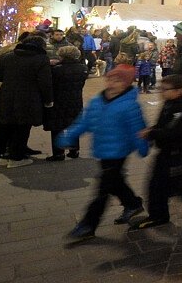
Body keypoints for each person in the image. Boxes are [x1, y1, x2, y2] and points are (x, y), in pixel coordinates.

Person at [58, 65, 149, 242]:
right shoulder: (97, 101)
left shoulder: (130, 105)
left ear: (127, 83)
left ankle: (88, 224)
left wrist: (142, 146)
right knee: (115, 182)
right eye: (110, 78)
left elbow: (138, 129)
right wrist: (69, 135)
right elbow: (84, 122)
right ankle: (132, 203)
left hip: (119, 152)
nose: (112, 83)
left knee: (103, 189)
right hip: (102, 150)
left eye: (118, 80)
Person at [130, 74, 182, 230]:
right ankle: (159, 215)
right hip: (167, 152)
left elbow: (173, 131)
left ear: (179, 91)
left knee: (181, 187)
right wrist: (154, 130)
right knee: (158, 185)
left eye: (165, 89)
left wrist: (151, 133)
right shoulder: (171, 103)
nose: (161, 92)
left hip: (177, 154)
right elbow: (163, 124)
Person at [0, 34, 53, 168]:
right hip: (29, 98)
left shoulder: (8, 56)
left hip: (7, 96)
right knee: (22, 127)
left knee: (4, 126)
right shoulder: (41, 59)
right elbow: (45, 82)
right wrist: (48, 100)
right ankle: (16, 158)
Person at [45, 45, 87, 161]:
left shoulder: (56, 69)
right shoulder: (83, 68)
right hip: (76, 100)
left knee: (57, 126)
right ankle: (74, 150)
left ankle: (58, 153)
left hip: (59, 100)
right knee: (73, 125)